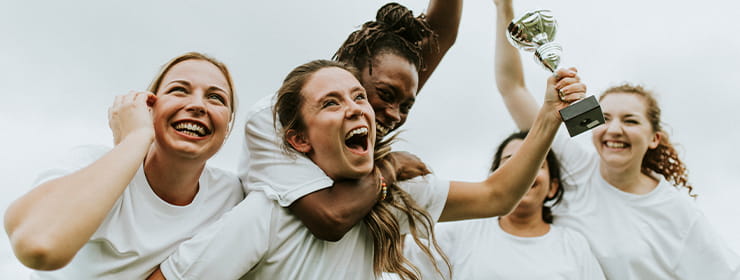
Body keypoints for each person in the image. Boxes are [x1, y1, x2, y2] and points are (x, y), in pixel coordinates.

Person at [150, 58, 585, 279]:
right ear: (299, 140)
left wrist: (548, 116)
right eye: (331, 103)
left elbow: (497, 195)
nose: (356, 109)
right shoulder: (267, 213)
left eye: (359, 97)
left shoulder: (393, 201)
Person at [493, 0, 740, 278]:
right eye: (606, 118)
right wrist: (504, 9)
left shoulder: (678, 213)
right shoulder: (574, 167)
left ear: (654, 138)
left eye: (631, 121)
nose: (614, 130)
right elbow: (511, 87)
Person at [3, 52, 244, 279]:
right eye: (179, 90)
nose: (198, 105)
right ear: (149, 107)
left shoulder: (230, 196)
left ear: (228, 124)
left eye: (216, 98)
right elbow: (37, 244)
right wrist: (136, 138)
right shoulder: (91, 162)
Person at [238, 1, 462, 241]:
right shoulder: (272, 116)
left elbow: (441, 33)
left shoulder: (378, 109)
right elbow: (331, 218)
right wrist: (392, 165)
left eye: (406, 105)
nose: (395, 115)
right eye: (385, 95)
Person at [404, 131, 605, 279]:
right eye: (511, 162)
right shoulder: (460, 233)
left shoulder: (573, 245)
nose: (523, 174)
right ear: (496, 177)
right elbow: (395, 256)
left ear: (552, 187)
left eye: (537, 164)